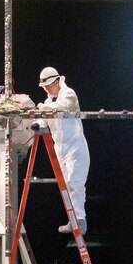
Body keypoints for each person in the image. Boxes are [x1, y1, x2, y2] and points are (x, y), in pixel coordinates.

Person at [36, 65, 89, 233]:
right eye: (44, 86)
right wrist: (37, 122)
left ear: (57, 81)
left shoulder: (69, 94)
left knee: (75, 182)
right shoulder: (47, 103)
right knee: (65, 185)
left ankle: (80, 220)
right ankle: (72, 219)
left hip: (75, 147)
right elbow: (44, 121)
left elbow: (63, 107)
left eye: (49, 85)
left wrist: (43, 109)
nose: (46, 89)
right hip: (60, 149)